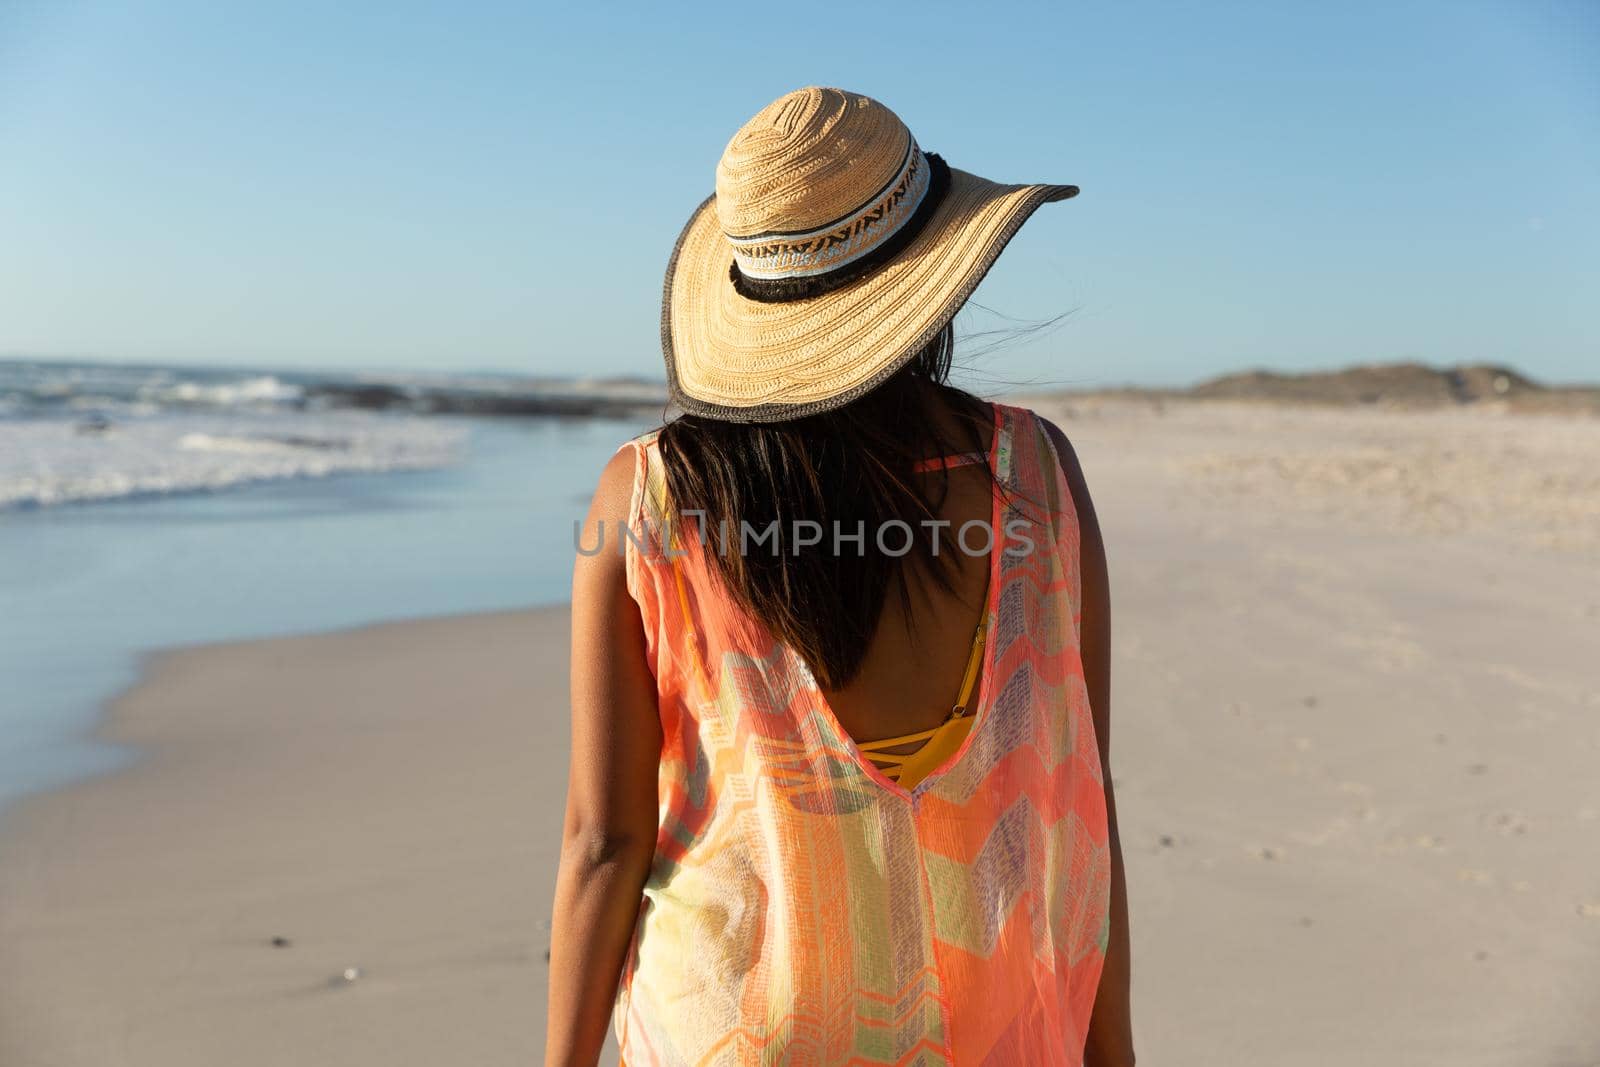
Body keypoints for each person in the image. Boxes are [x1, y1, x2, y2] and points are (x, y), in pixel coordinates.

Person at [547, 86, 1134, 1067]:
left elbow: (602, 843)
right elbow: (1082, 797)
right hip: (993, 1027)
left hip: (730, 1029)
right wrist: (1110, 1050)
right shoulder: (1034, 476)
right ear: (929, 278)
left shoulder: (645, 496)